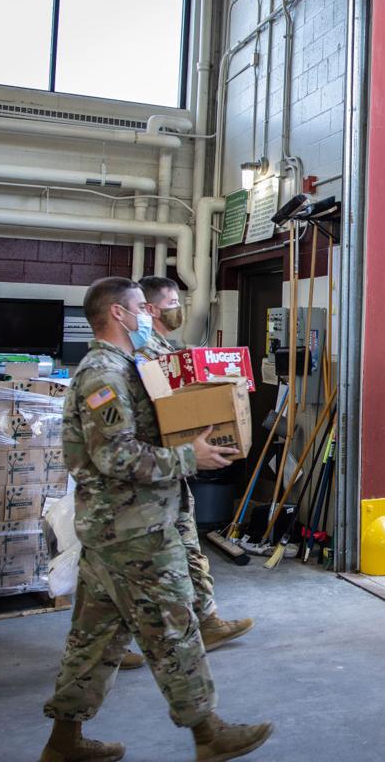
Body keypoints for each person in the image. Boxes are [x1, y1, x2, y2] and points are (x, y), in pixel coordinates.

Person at [40, 277, 272, 762]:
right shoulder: (103, 375)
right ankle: (208, 733)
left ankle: (64, 741)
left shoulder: (129, 365)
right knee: (175, 628)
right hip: (135, 529)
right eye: (139, 309)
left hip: (117, 528)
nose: (149, 316)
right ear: (118, 315)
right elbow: (116, 457)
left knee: (96, 638)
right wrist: (191, 458)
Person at [98, 275, 253, 671]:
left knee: (181, 555)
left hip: (165, 477)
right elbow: (119, 445)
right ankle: (137, 651)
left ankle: (205, 622)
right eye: (167, 301)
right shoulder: (123, 362)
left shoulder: (161, 348)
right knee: (130, 577)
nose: (173, 307)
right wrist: (185, 454)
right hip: (134, 491)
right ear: (141, 310)